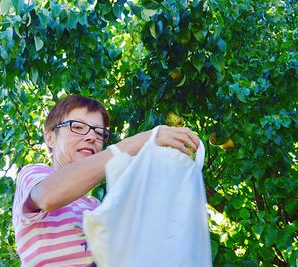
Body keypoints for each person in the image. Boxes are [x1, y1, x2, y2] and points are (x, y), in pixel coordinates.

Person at [12, 95, 200, 267]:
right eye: (77, 127)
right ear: (50, 137)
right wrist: (130, 145)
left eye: (99, 133)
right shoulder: (34, 175)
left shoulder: (97, 207)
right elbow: (48, 195)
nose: (92, 137)